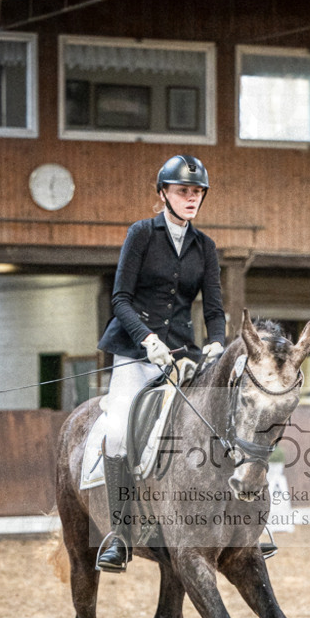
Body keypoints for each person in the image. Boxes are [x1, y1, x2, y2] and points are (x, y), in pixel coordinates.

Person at [95, 153, 226, 572]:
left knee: (212, 427)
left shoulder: (205, 247)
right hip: (136, 353)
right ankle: (120, 534)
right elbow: (120, 299)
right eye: (183, 191)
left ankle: (241, 529)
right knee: (117, 433)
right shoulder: (141, 235)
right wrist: (146, 338)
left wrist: (218, 343)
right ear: (164, 194)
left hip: (182, 356)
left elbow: (214, 310)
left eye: (197, 192)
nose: (191, 198)